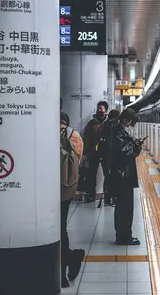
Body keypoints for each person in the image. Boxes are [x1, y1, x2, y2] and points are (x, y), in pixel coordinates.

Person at [107, 109, 143, 245]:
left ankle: (123, 235)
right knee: (125, 208)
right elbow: (126, 153)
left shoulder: (117, 131)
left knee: (123, 207)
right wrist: (136, 145)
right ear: (126, 120)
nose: (130, 125)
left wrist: (133, 143)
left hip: (121, 175)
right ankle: (124, 237)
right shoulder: (117, 133)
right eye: (131, 122)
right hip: (123, 176)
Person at [59, 112, 85, 287]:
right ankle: (71, 257)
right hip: (65, 188)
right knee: (60, 227)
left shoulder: (42, 131)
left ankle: (61, 273)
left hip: (48, 189)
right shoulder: (74, 135)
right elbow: (77, 162)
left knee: (58, 228)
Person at [81, 101, 109, 202]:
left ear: (106, 110)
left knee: (107, 175)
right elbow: (86, 138)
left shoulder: (108, 123)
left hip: (105, 153)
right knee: (91, 174)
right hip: (93, 153)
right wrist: (85, 153)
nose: (99, 111)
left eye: (101, 109)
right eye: (98, 109)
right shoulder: (91, 123)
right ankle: (91, 195)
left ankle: (107, 196)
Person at [97, 109, 120, 206]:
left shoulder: (104, 126)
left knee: (108, 177)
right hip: (110, 157)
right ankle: (111, 198)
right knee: (112, 177)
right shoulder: (112, 128)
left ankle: (108, 198)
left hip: (104, 156)